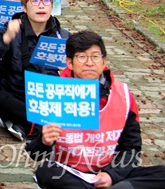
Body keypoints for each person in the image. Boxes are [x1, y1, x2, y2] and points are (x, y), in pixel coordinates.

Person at [26, 30, 165, 189]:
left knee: (161, 174)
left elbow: (131, 147)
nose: (89, 63)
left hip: (108, 172)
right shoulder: (51, 93)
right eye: (82, 57)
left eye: (95, 56)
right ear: (69, 62)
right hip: (69, 172)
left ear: (104, 61)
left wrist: (111, 175)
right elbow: (33, 150)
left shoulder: (123, 95)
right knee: (46, 172)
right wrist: (43, 141)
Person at [0, 0, 69, 141]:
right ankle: (42, 126)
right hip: (18, 96)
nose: (41, 6)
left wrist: (66, 71)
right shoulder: (12, 29)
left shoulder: (64, 36)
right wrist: (6, 38)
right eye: (35, 1)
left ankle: (26, 125)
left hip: (48, 99)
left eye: (46, 1)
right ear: (24, 7)